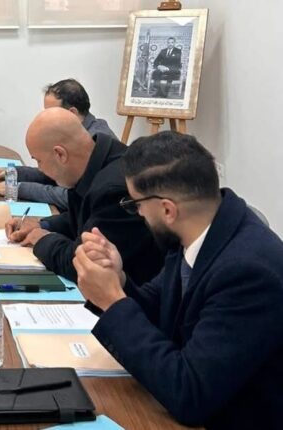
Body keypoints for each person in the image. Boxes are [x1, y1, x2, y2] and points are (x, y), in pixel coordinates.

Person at [73, 131, 283, 429]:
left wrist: (112, 300)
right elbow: (161, 312)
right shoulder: (198, 230)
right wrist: (119, 279)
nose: (138, 214)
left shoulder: (248, 273)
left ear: (167, 209)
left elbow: (190, 394)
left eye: (136, 204)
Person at [5, 108, 163, 284]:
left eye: (38, 161)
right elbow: (87, 216)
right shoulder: (99, 158)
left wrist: (43, 240)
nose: (40, 169)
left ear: (60, 154)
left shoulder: (112, 190)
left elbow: (83, 265)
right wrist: (43, 224)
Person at [0, 79, 117, 210]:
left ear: (72, 113)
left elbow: (73, 197)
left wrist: (19, 189)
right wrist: (15, 173)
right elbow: (53, 174)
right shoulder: (74, 133)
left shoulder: (94, 142)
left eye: (51, 112)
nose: (46, 116)